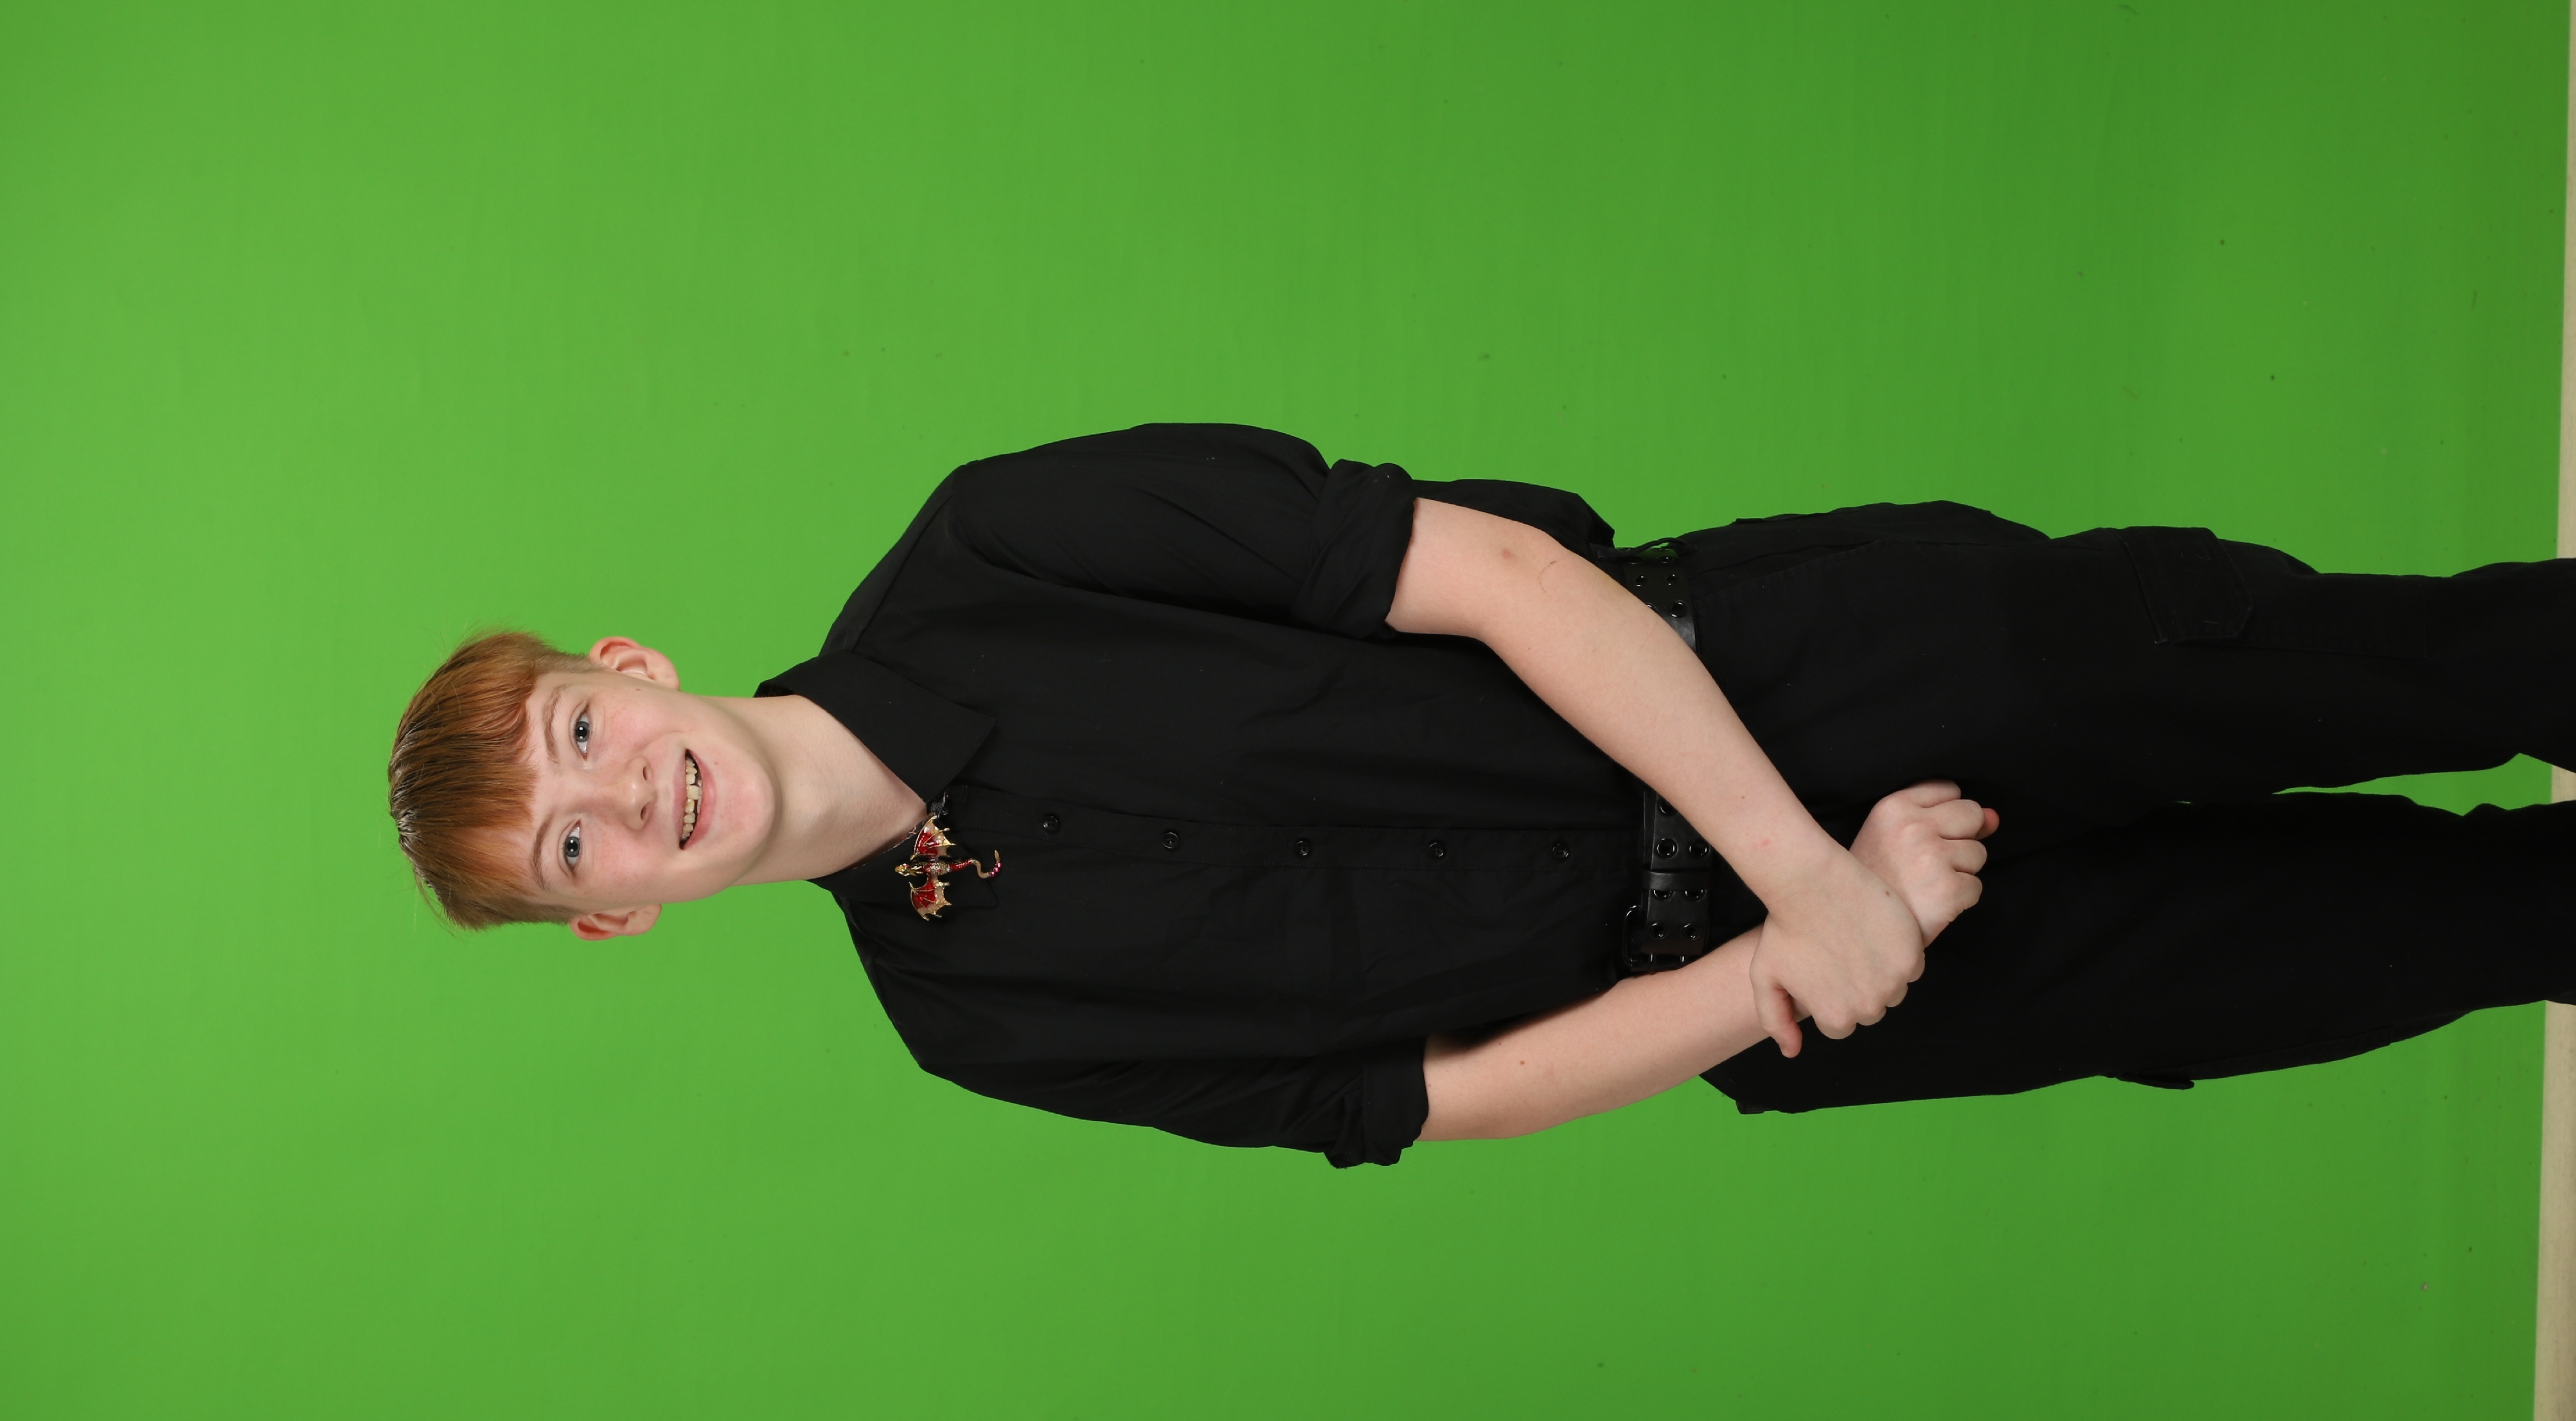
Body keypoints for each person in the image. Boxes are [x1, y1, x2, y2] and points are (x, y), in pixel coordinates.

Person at [386, 424, 2576, 1166]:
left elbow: (1502, 579)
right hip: (1793, 989)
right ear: (616, 916)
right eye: (574, 850)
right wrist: (1796, 965)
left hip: (1806, 675)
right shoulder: (973, 1021)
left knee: (2419, 667)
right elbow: (1431, 1100)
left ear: (625, 668)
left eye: (578, 733)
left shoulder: (997, 547)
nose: (624, 797)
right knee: (2425, 940)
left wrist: (1810, 874)